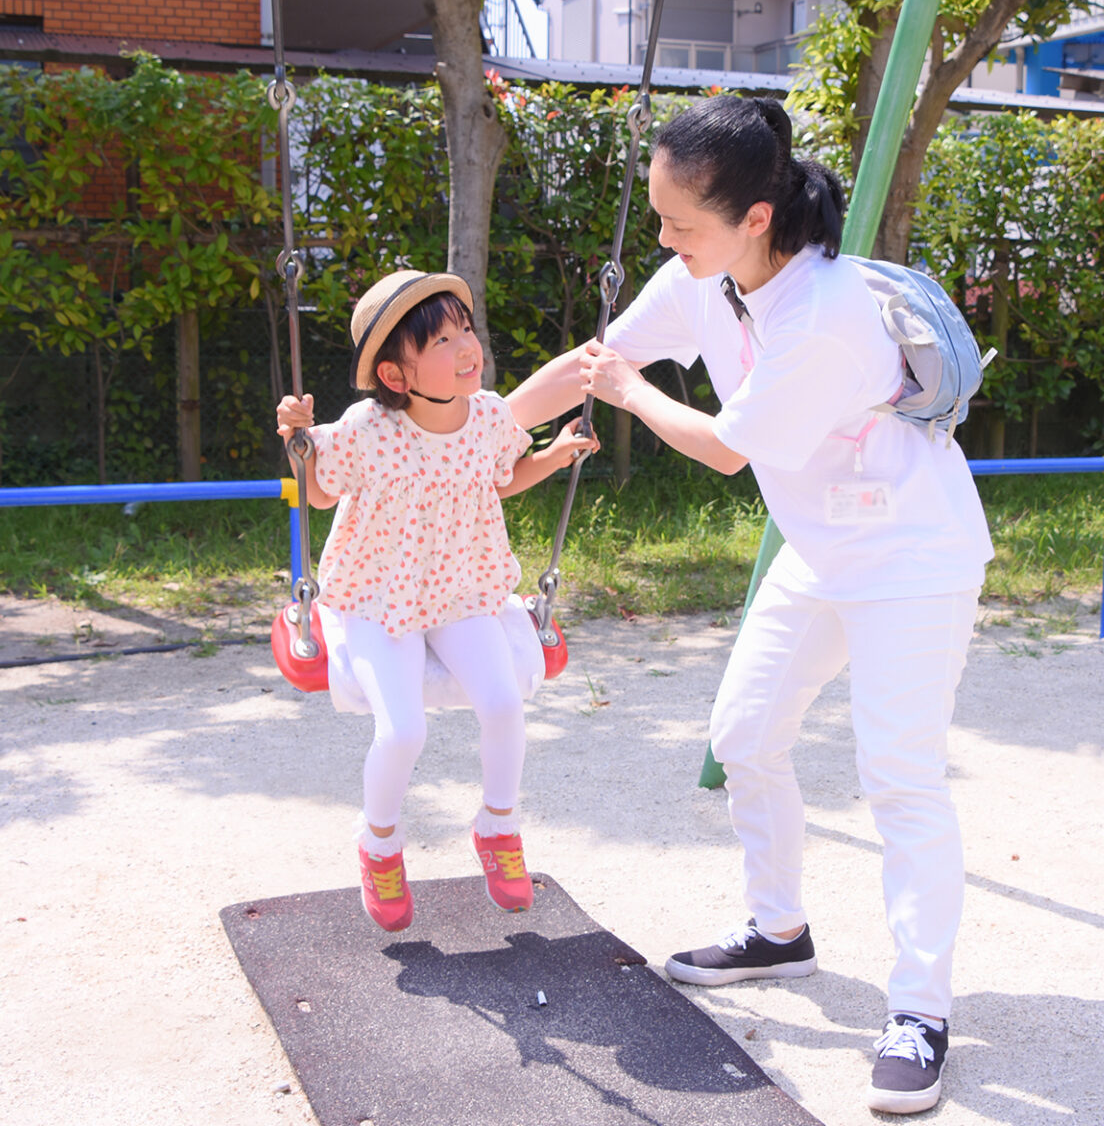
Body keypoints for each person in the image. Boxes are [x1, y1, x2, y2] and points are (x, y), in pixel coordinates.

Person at [507, 95, 992, 1115]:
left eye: (680, 222)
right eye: (659, 218)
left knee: (899, 775)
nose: (665, 239)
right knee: (744, 732)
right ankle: (780, 932)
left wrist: (631, 394)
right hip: (823, 550)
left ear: (756, 216)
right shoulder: (704, 274)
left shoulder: (827, 316)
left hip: (911, 554)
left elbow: (726, 445)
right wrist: (476, 435)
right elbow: (597, 360)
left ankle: (920, 1009)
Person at [275, 270, 597, 933]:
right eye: (443, 340)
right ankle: (380, 846)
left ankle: (498, 827)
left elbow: (502, 480)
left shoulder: (487, 417)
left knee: (505, 702)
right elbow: (319, 495)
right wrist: (296, 441)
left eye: (466, 330)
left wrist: (556, 457)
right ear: (397, 375)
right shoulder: (367, 429)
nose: (466, 347)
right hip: (376, 596)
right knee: (403, 729)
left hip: (459, 590)